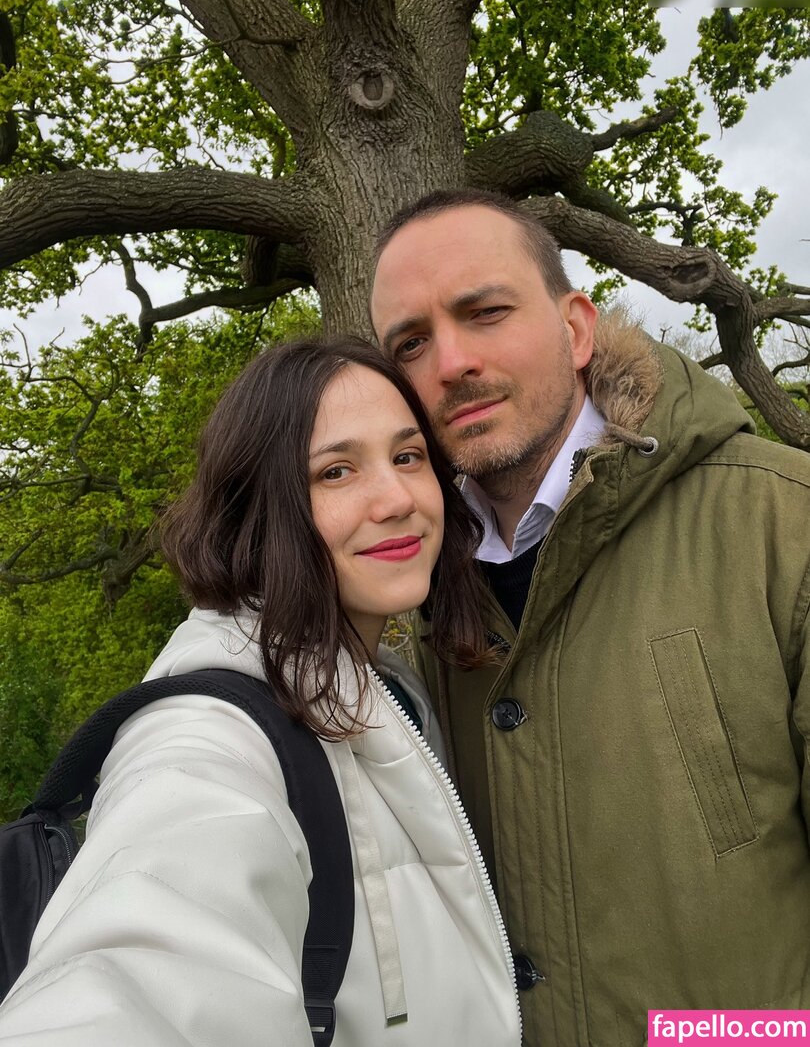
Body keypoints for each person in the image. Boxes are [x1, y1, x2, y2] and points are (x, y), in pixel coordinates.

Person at [370, 189, 810, 1047]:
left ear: (576, 329)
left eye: (485, 312)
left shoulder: (783, 527)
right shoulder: (406, 595)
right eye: (411, 344)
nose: (450, 362)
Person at [0, 337, 522, 1047]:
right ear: (258, 508)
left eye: (407, 457)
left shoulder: (396, 689)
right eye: (335, 471)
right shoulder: (207, 734)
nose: (397, 499)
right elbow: (142, 971)